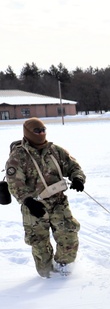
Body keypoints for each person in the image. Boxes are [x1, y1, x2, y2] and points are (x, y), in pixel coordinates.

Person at [4, 117, 86, 278]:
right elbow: (15, 182)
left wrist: (78, 178)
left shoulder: (55, 150)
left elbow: (73, 166)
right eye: (37, 131)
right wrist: (28, 201)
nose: (41, 133)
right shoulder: (18, 156)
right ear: (27, 132)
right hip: (34, 205)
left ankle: (64, 269)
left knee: (68, 234)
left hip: (58, 202)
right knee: (39, 242)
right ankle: (47, 276)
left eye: (43, 130)